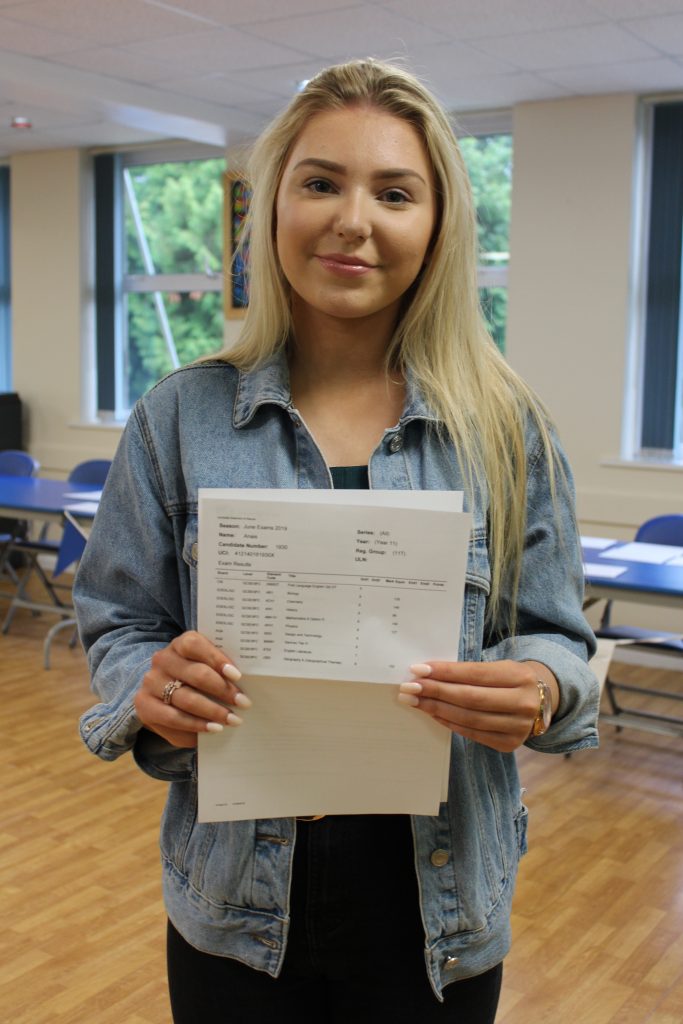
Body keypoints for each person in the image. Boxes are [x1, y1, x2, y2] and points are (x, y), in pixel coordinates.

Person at [74, 58, 599, 1023]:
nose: (352, 220)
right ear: (272, 205)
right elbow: (115, 623)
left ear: (437, 225)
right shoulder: (179, 418)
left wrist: (540, 686)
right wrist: (147, 685)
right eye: (320, 182)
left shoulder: (505, 428)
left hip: (439, 909)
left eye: (394, 192)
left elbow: (558, 635)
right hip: (234, 905)